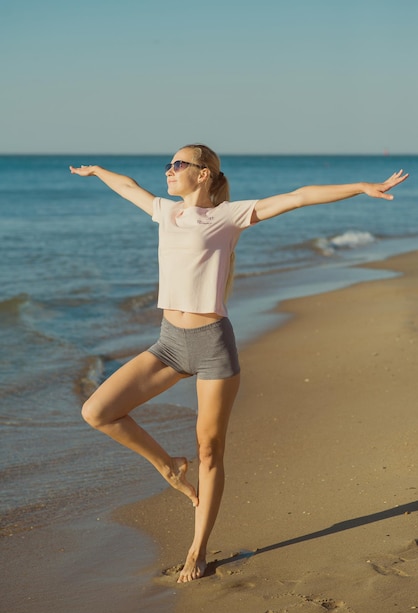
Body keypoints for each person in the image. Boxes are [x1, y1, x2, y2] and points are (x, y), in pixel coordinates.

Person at [70, 144, 408, 583]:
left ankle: (198, 549)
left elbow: (298, 196)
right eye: (169, 164)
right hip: (168, 343)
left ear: (204, 174)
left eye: (178, 165)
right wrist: (98, 171)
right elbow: (128, 186)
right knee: (97, 411)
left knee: (210, 450)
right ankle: (168, 465)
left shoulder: (229, 217)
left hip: (212, 344)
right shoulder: (164, 212)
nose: (169, 171)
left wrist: (361, 187)